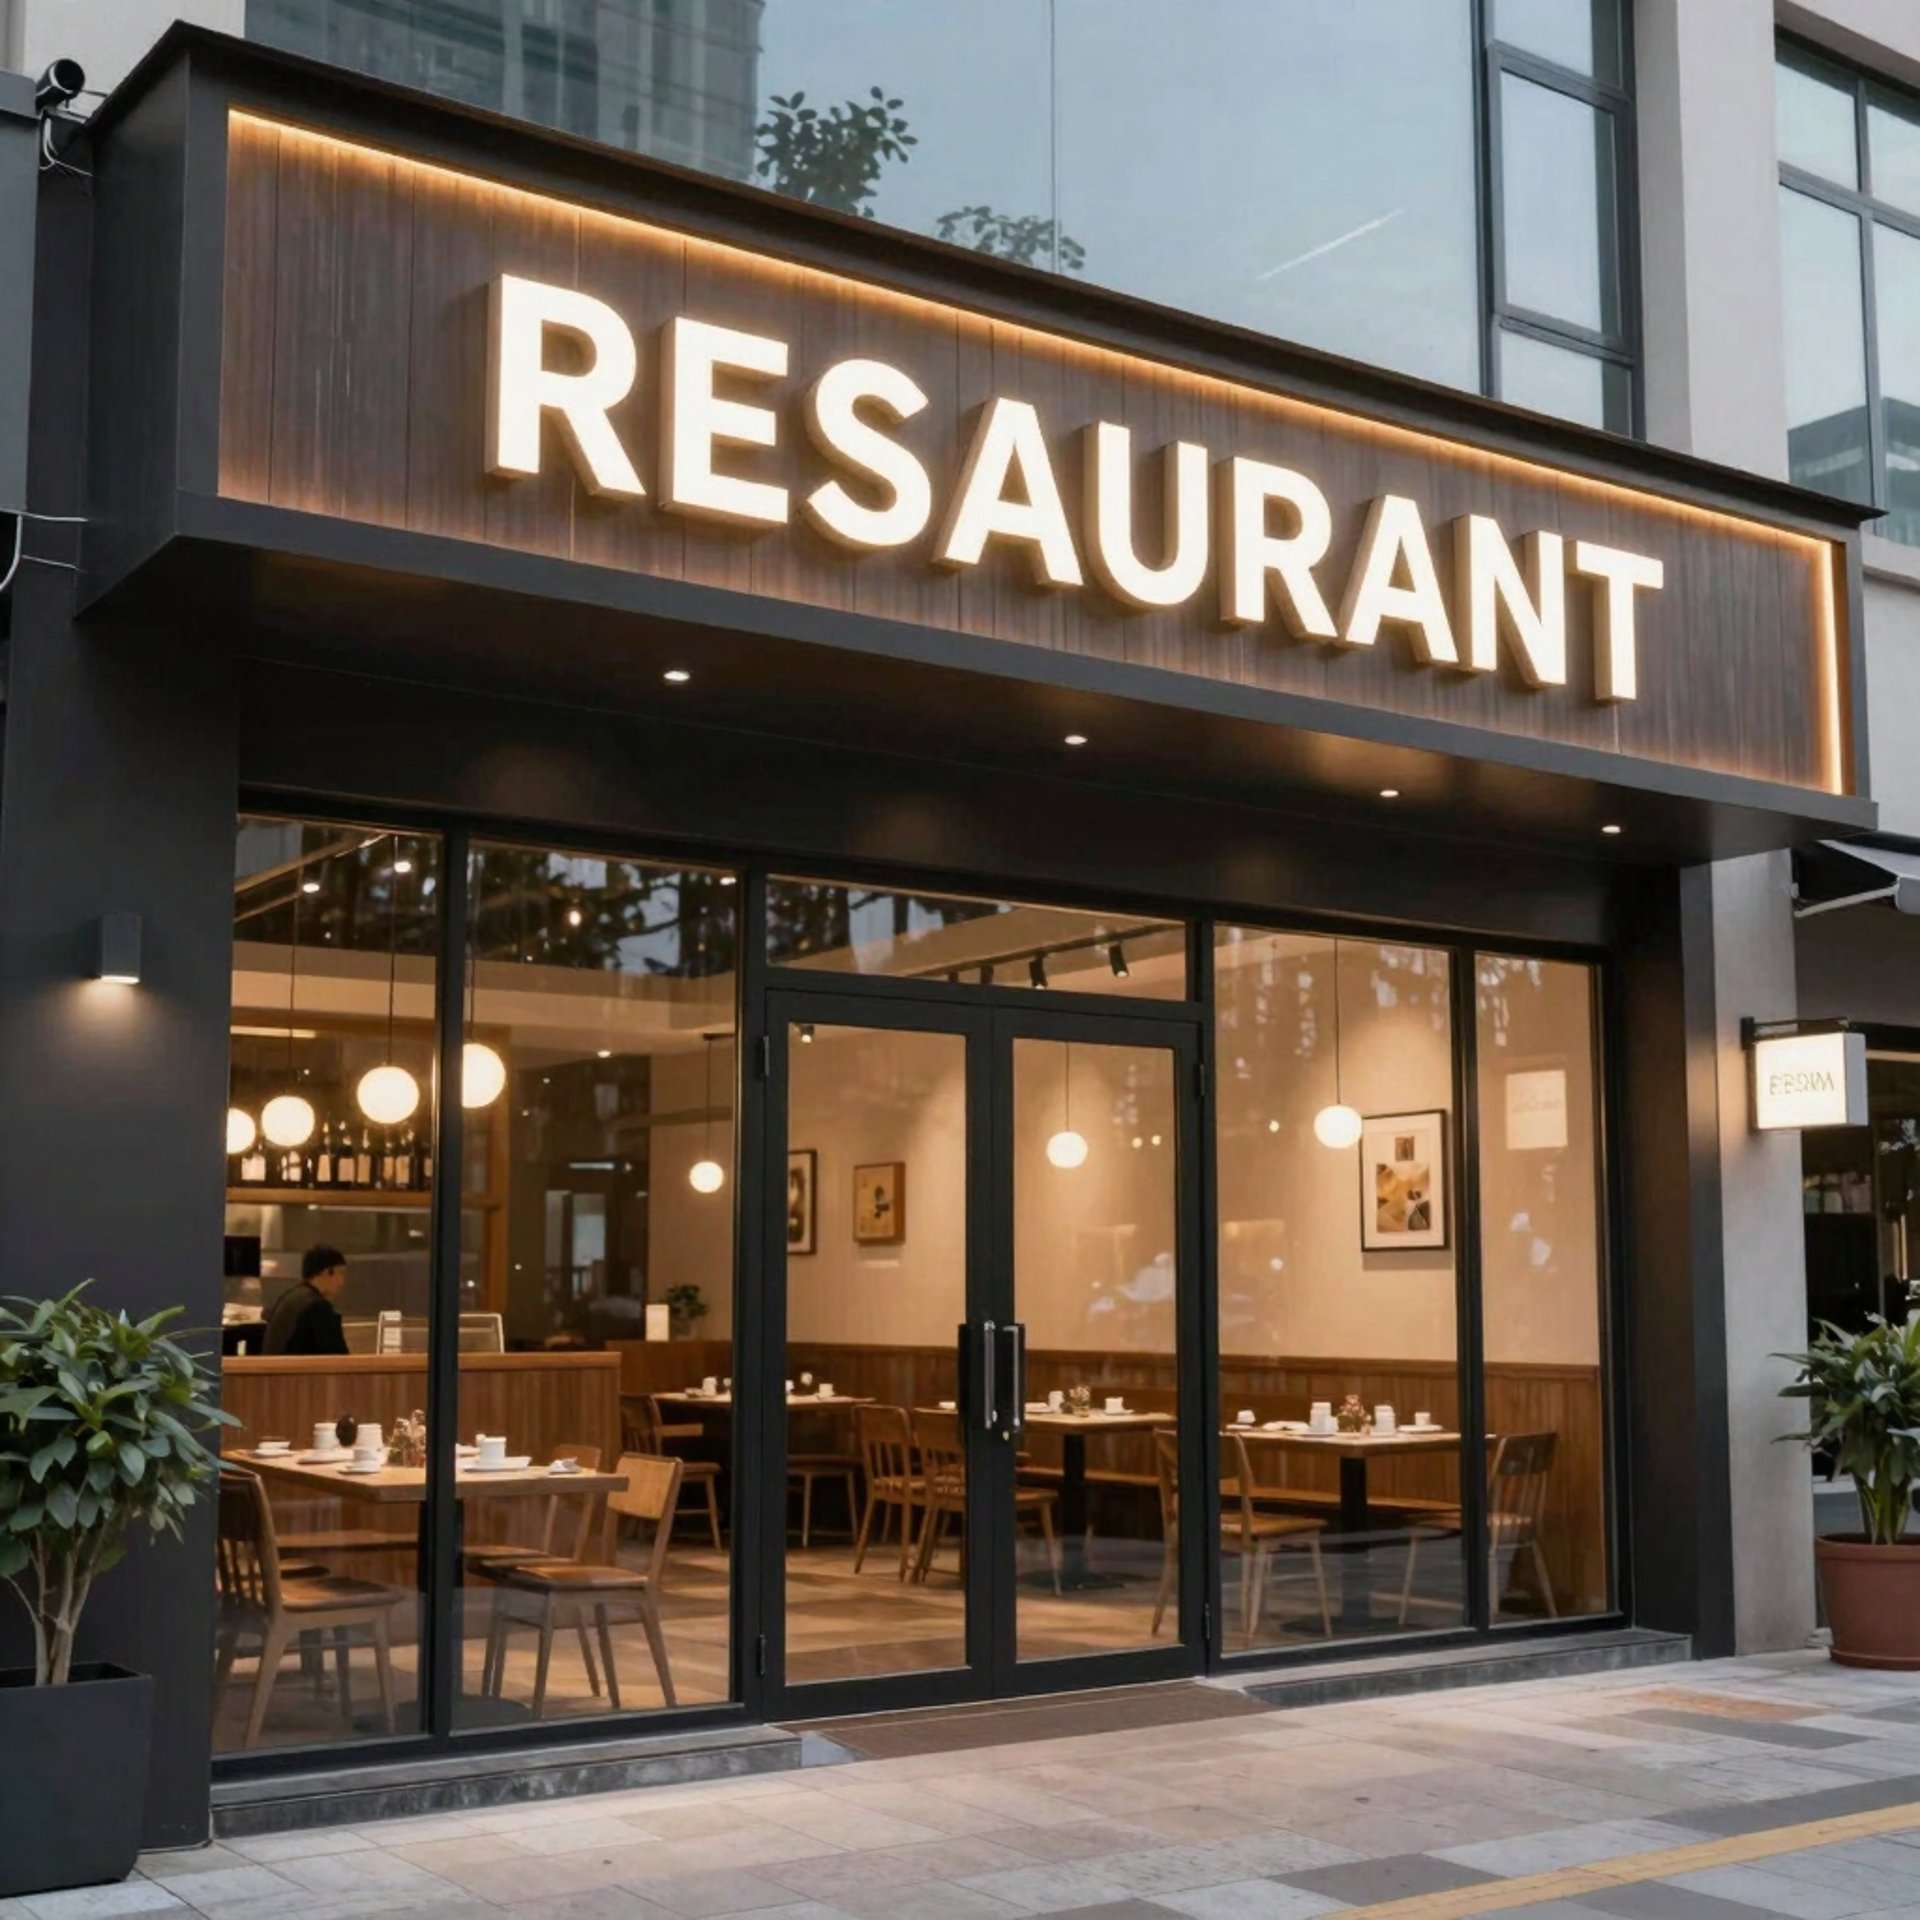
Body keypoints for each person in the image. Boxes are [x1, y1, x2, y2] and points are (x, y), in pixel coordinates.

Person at [263, 1244, 351, 1356]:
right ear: (327, 1272)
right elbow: (337, 1356)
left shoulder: (291, 1298)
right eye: (341, 1273)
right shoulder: (316, 1307)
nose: (342, 1282)